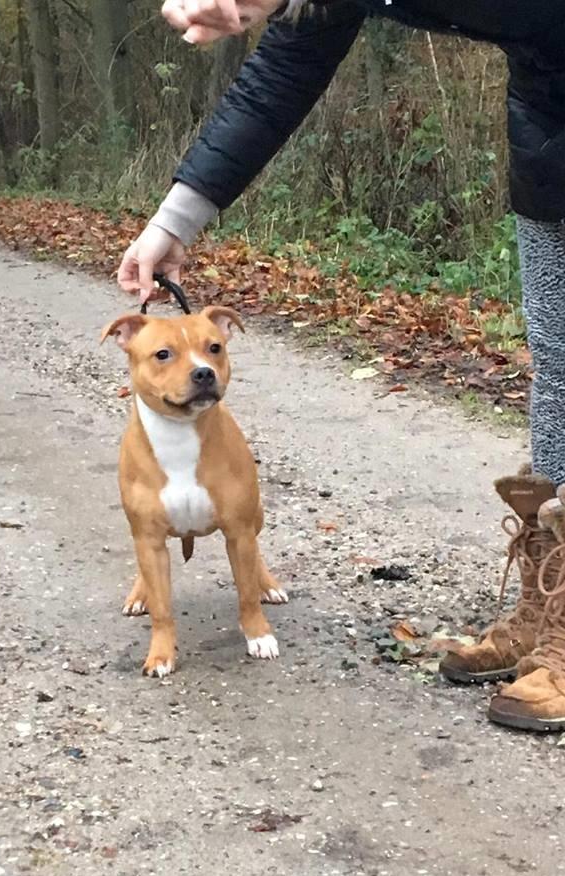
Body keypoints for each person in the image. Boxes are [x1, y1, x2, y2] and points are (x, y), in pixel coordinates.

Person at [117, 0, 565, 733]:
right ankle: (554, 605)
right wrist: (176, 219)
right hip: (551, 120)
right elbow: (287, 64)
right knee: (558, 355)